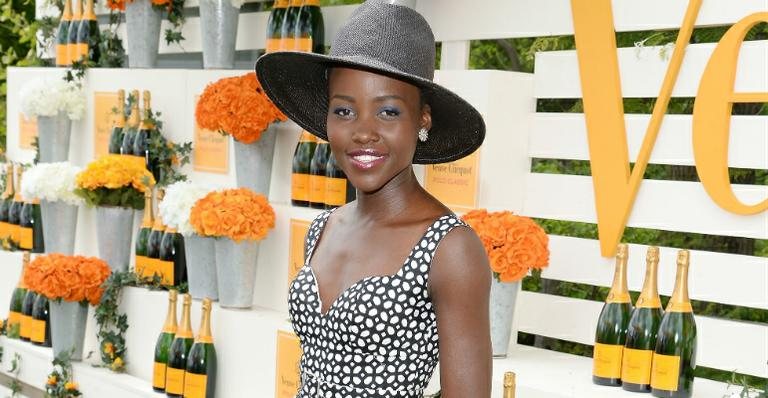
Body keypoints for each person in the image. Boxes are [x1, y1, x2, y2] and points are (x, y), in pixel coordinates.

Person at [256, 1, 492, 396]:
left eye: (387, 112)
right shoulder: (322, 228)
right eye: (344, 111)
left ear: (423, 120)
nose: (363, 132)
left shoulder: (450, 249)